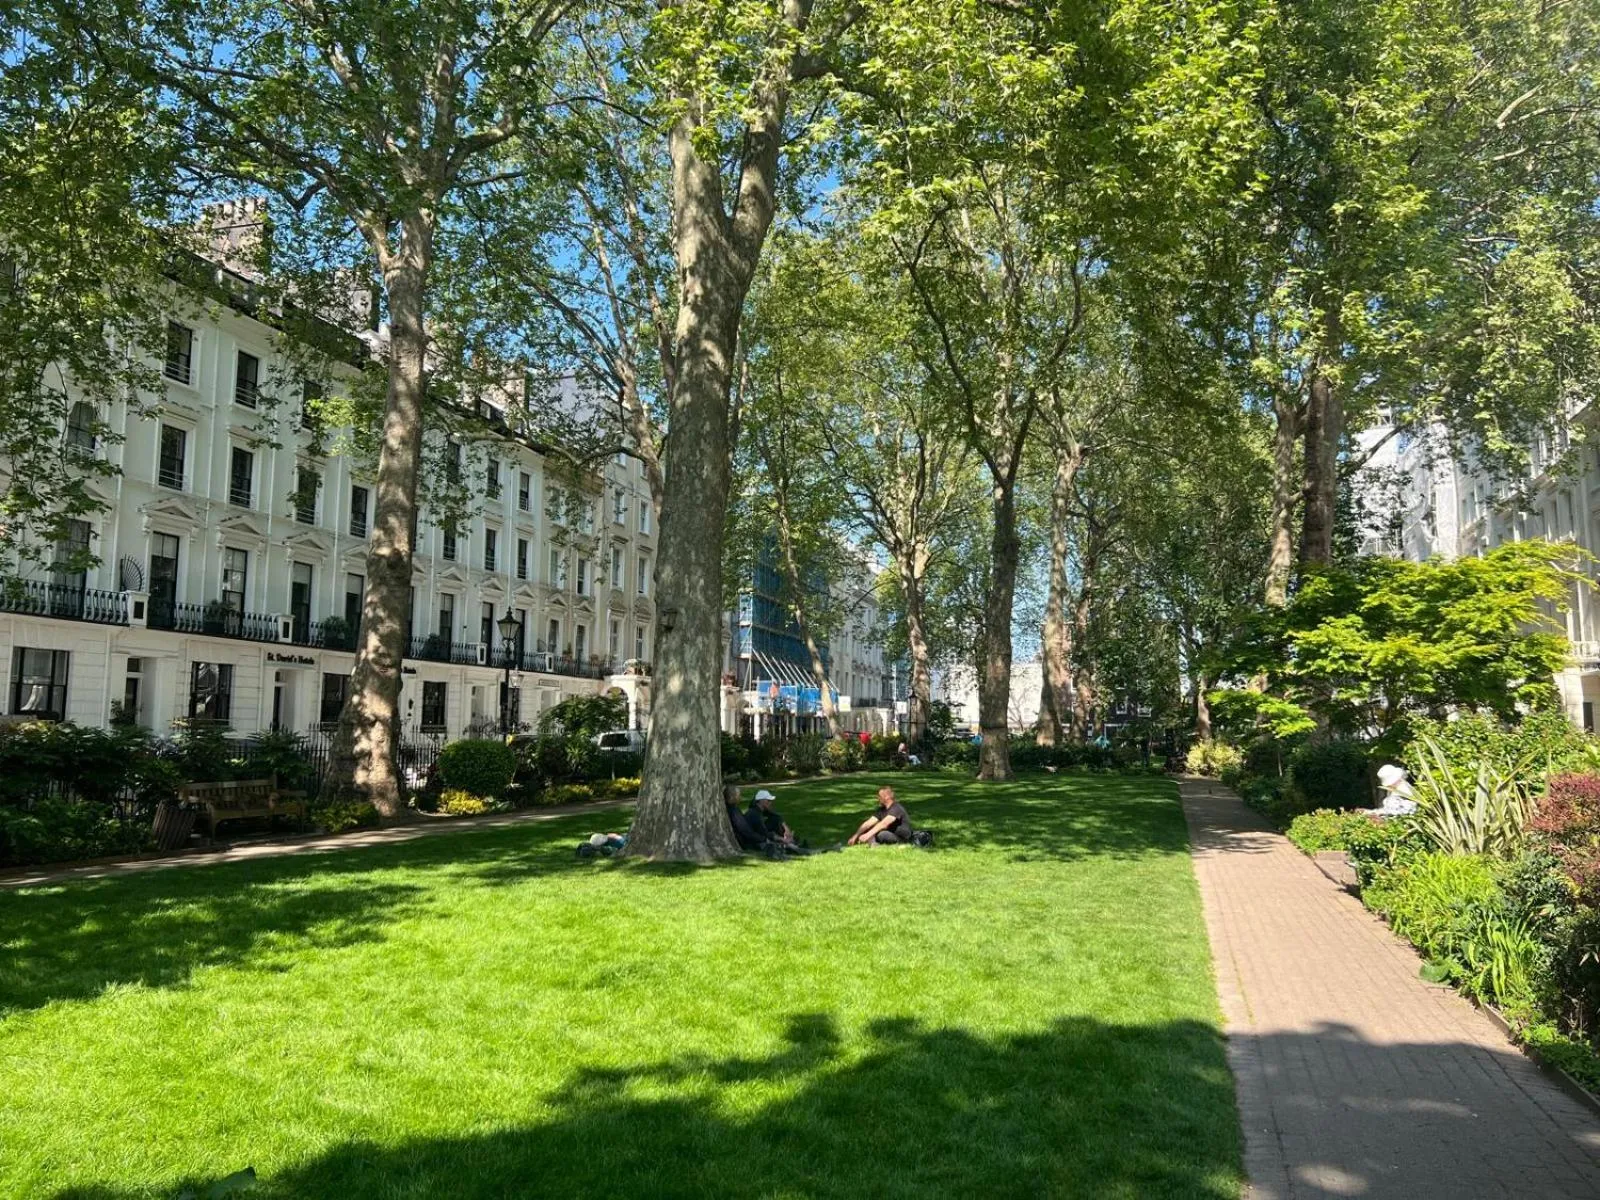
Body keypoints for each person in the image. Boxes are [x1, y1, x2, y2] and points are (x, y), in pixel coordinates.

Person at [848, 785, 914, 846]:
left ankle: (874, 843)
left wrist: (867, 835)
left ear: (887, 797)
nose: (878, 798)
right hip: (891, 833)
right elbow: (868, 823)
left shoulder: (896, 808)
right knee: (870, 829)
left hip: (902, 837)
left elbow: (884, 823)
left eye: (879, 796)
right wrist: (855, 836)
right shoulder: (882, 810)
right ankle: (872, 843)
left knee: (882, 834)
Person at [724, 785, 772, 851]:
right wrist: (763, 839)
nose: (740, 798)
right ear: (732, 797)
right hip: (744, 841)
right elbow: (745, 831)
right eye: (738, 795)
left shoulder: (731, 809)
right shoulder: (734, 811)